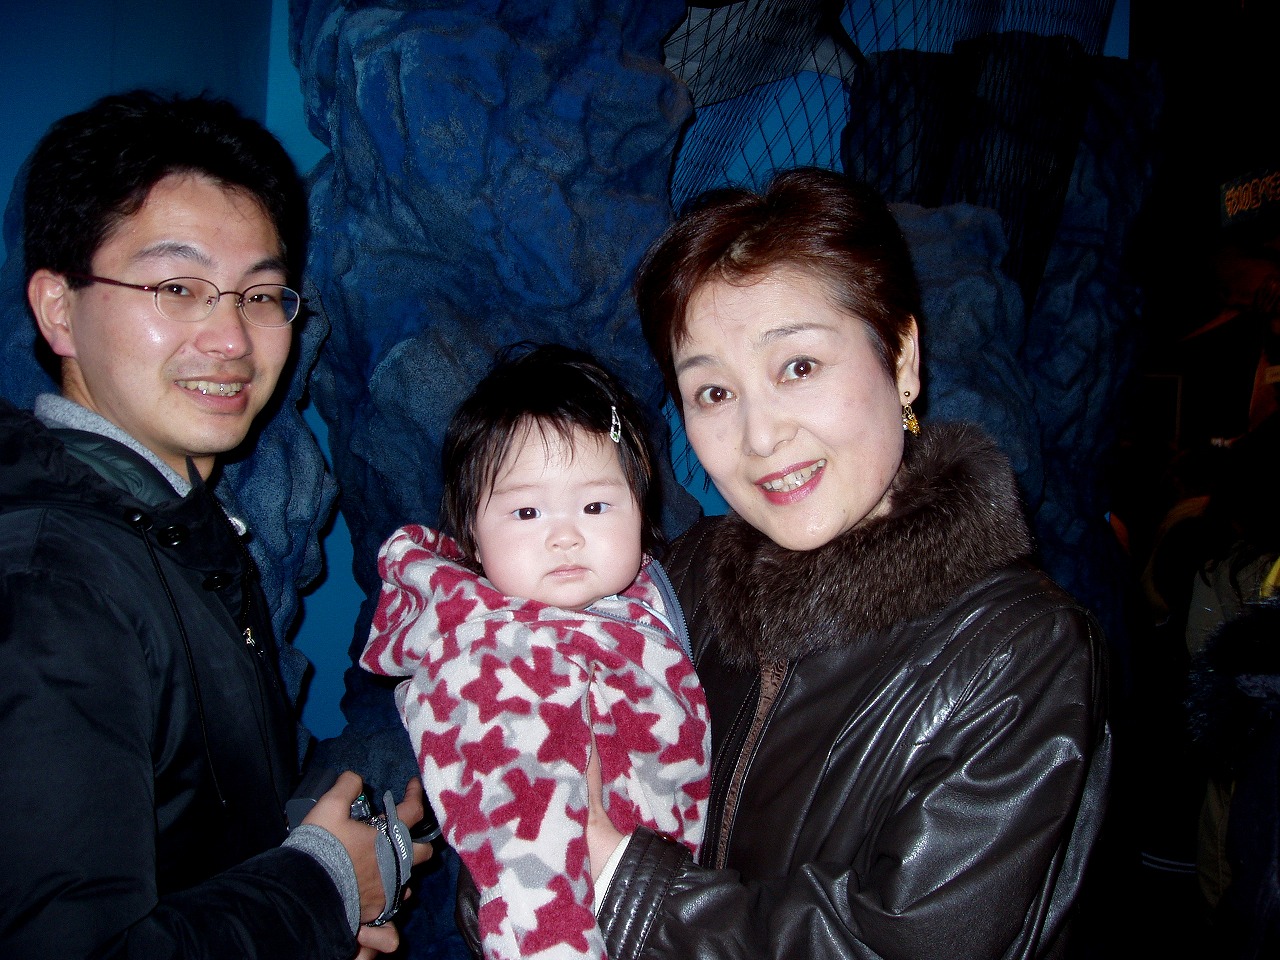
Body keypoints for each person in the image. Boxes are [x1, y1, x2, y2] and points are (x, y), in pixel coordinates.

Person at [562, 168, 1112, 959]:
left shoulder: (1019, 653)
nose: (759, 437)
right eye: (713, 392)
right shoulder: (678, 584)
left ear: (902, 358)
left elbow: (901, 945)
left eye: (799, 367)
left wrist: (620, 886)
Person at [0, 90, 429, 960]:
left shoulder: (172, 534)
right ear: (58, 309)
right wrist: (325, 884)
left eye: (261, 294)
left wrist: (311, 871)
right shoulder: (50, 585)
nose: (232, 338)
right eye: (178, 288)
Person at [360, 343, 710, 960]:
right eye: (526, 511)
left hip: (662, 914)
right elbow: (525, 869)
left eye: (596, 505)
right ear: (472, 536)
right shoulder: (492, 662)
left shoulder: (627, 607)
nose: (566, 535)